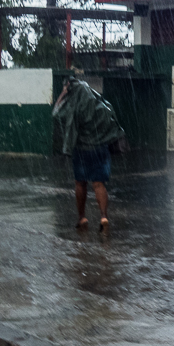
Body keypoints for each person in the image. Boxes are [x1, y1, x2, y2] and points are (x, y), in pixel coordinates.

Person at [53, 74, 126, 230]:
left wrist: (63, 94)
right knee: (99, 184)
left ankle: (82, 218)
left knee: (80, 183)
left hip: (82, 149)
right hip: (100, 148)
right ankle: (104, 217)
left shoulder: (73, 106)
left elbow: (56, 113)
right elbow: (111, 121)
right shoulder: (100, 105)